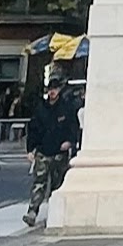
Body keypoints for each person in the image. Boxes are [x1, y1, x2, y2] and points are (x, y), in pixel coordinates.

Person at [22, 85, 82, 229]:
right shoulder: (41, 109)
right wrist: (30, 149)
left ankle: (55, 212)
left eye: (54, 89)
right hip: (43, 151)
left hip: (59, 152)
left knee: (57, 184)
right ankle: (32, 212)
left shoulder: (66, 108)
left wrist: (70, 142)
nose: (52, 92)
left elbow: (73, 127)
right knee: (39, 182)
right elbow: (33, 129)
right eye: (50, 89)